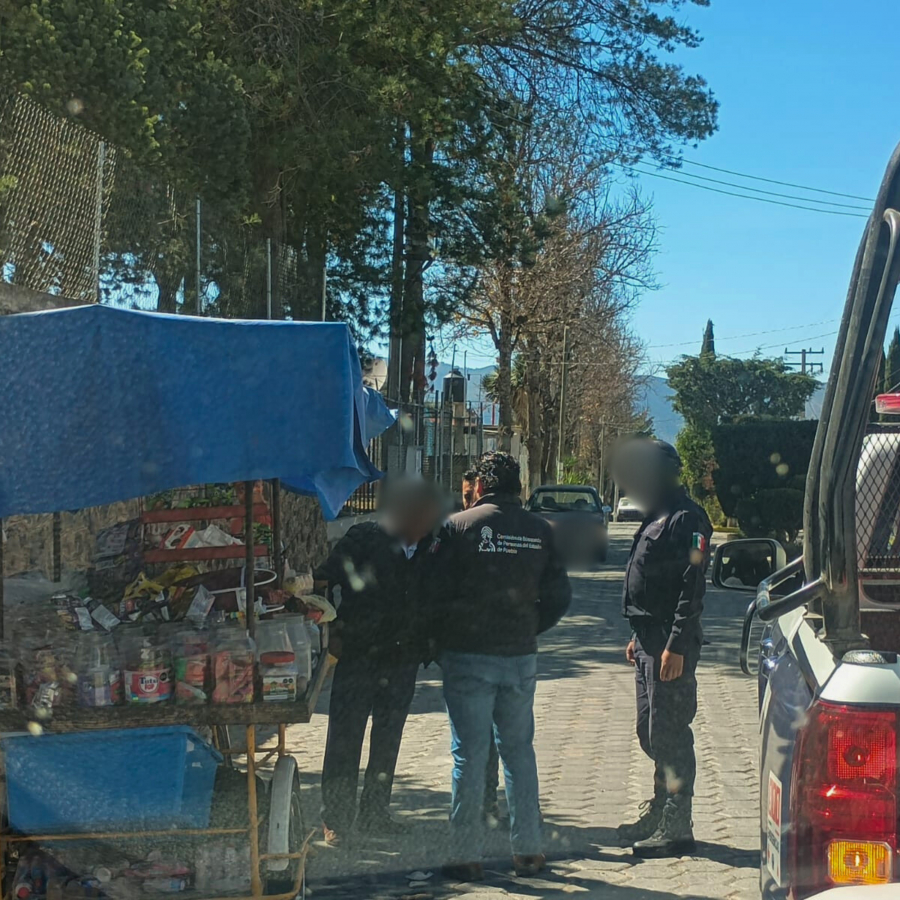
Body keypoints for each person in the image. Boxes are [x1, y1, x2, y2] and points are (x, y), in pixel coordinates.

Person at [432, 452, 571, 881]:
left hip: (468, 657)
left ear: (481, 484)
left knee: (468, 757)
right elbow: (560, 595)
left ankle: (465, 855)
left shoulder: (457, 526)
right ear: (520, 486)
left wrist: (440, 640)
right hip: (519, 658)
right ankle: (528, 851)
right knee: (518, 752)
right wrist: (530, 626)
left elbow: (431, 591)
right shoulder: (540, 530)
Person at [315, 476, 441, 847]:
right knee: (345, 738)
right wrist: (333, 626)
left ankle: (375, 813)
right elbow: (324, 579)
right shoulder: (365, 538)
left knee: (387, 739)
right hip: (359, 656)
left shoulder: (433, 547)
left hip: (402, 658)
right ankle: (335, 818)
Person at [613, 438, 713, 858]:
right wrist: (640, 638)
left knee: (670, 733)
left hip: (671, 646)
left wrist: (675, 645)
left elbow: (692, 589)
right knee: (648, 729)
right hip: (648, 641)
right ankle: (658, 809)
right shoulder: (658, 514)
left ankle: (677, 823)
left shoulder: (689, 519)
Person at [461, 468, 503, 824]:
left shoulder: (496, 532)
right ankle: (477, 806)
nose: (468, 502)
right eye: (463, 498)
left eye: (470, 494)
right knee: (475, 739)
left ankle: (482, 806)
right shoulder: (456, 530)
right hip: (469, 650)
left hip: (493, 650)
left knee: (488, 738)